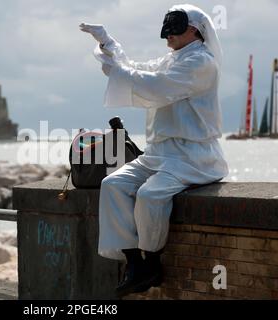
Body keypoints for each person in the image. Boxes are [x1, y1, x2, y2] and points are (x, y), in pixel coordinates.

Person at [80, 4, 229, 297]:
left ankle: (152, 261)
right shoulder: (172, 59)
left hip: (192, 155)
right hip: (158, 153)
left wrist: (119, 71)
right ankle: (134, 263)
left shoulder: (200, 63)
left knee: (150, 195)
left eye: (174, 27)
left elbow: (157, 86)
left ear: (194, 30)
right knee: (112, 185)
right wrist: (108, 44)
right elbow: (137, 70)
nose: (167, 34)